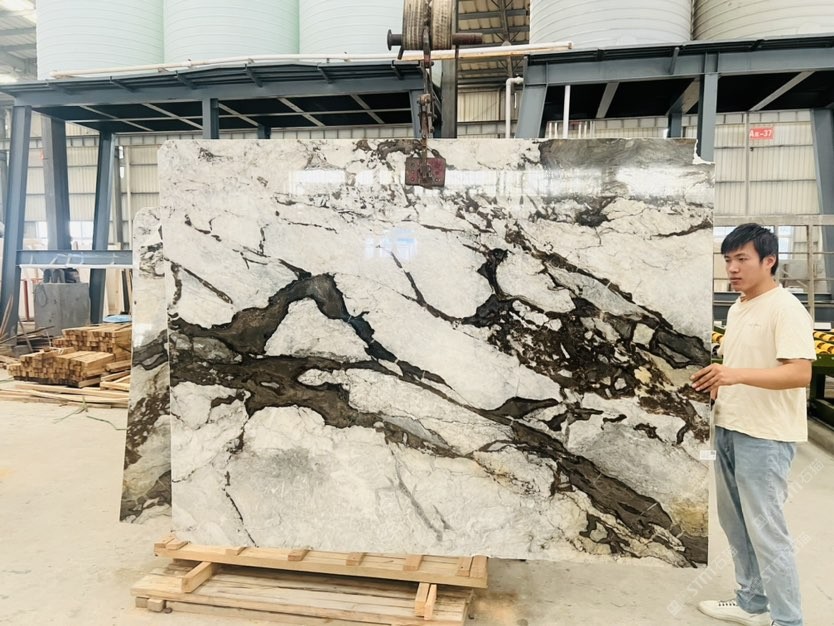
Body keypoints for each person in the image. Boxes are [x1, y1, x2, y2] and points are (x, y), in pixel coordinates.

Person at [690, 223, 815, 626]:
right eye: (728, 259)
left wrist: (735, 375)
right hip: (729, 427)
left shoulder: (786, 308)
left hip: (766, 437)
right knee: (736, 524)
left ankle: (788, 619)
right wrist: (718, 383)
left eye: (742, 259)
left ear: (769, 261)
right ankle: (752, 602)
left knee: (766, 531)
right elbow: (740, 364)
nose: (732, 268)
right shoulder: (738, 307)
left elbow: (799, 373)